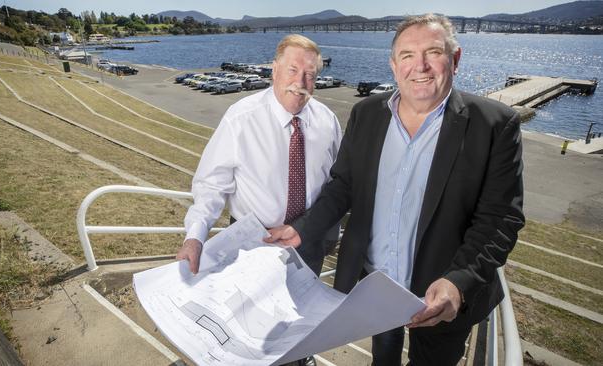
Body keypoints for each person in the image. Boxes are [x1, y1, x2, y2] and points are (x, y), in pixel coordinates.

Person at [265, 14, 524, 366]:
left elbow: (499, 220)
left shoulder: (494, 125)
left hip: (440, 298)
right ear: (393, 64)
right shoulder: (367, 113)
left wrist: (458, 282)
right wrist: (302, 228)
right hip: (375, 286)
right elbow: (343, 185)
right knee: (382, 357)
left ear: (456, 59)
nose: (420, 66)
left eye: (433, 52)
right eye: (407, 55)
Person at [178, 34, 342, 366]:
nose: (301, 82)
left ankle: (299, 357)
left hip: (306, 241)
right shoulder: (242, 118)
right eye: (293, 70)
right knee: (249, 324)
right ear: (274, 70)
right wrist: (195, 235)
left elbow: (337, 182)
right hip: (254, 242)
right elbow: (211, 186)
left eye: (310, 74)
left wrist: (329, 231)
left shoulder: (327, 121)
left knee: (299, 318)